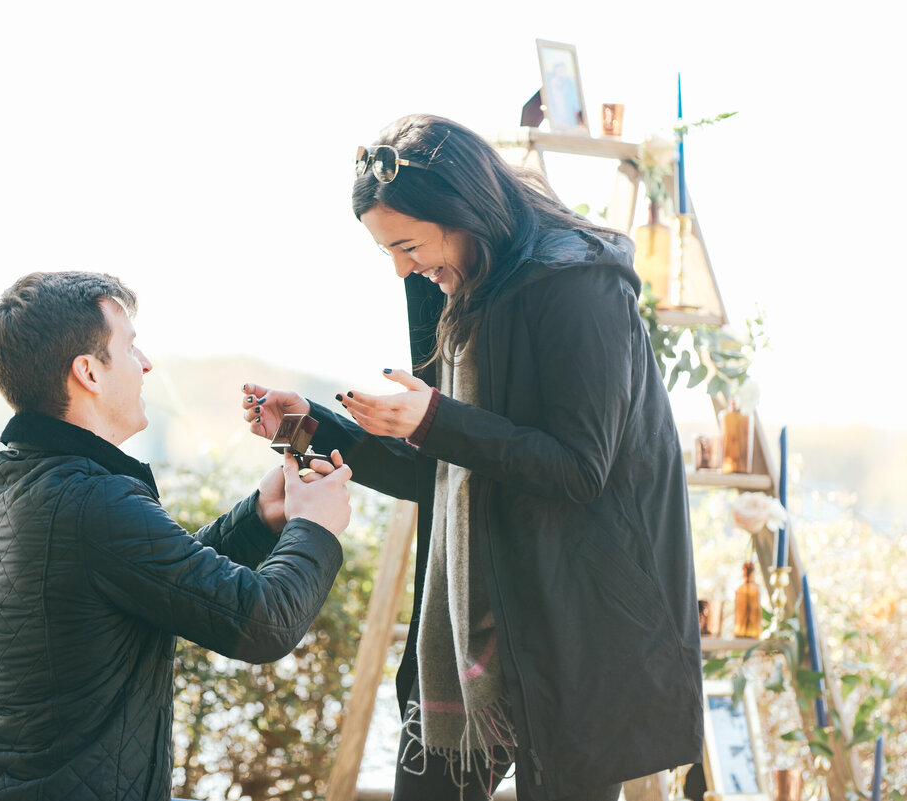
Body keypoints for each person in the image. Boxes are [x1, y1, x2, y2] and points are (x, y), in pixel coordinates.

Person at [242, 115, 703, 801]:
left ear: (460, 212)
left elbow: (579, 468)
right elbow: (442, 471)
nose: (403, 267)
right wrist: (309, 427)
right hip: (462, 636)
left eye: (406, 245)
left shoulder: (579, 285)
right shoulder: (454, 288)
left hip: (569, 629)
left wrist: (436, 420)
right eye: (386, 252)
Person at [0, 271, 353, 801]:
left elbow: (156, 577)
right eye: (130, 347)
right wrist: (314, 528)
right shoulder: (92, 501)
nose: (147, 363)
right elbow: (263, 622)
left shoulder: (2, 483)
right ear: (87, 371)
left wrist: (260, 516)